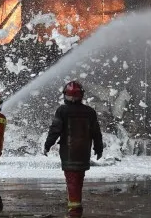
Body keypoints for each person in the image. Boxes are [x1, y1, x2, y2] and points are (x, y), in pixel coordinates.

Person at [44, 81, 104, 218]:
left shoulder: (62, 110)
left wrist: (47, 145)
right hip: (83, 153)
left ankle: (74, 212)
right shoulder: (89, 112)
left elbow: (55, 130)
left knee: (72, 181)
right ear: (81, 95)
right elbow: (96, 132)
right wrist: (99, 148)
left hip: (69, 153)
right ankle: (75, 208)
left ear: (66, 95)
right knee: (78, 181)